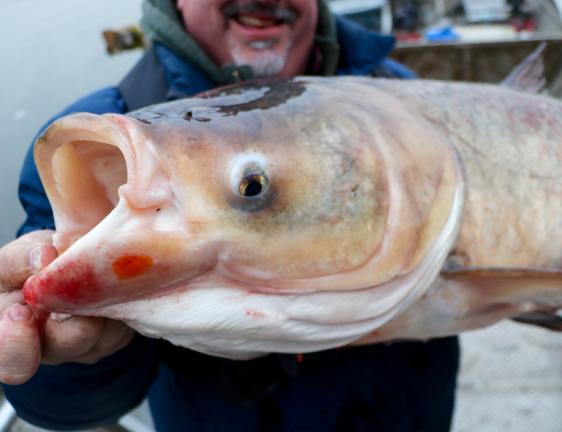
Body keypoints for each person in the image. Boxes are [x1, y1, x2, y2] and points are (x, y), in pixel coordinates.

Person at [0, 1, 460, 430]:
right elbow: (59, 407)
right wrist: (72, 351)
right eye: (251, 187)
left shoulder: (406, 100)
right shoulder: (92, 149)